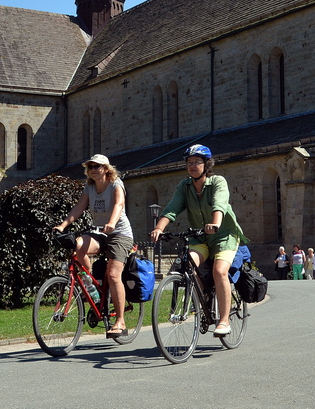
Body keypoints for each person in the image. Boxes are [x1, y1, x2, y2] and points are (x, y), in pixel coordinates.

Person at [150, 144, 247, 337]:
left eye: (197, 162)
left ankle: (224, 320)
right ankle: (202, 299)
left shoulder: (218, 181)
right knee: (188, 263)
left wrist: (215, 223)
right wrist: (159, 228)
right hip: (200, 238)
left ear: (206, 164)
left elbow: (220, 203)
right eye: (189, 162)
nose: (192, 166)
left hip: (224, 236)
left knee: (219, 271)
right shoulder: (184, 186)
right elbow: (172, 208)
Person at [53, 154, 134, 338]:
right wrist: (63, 225)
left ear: (106, 169)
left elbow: (119, 204)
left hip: (119, 234)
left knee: (113, 274)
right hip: (99, 233)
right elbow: (78, 208)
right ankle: (91, 286)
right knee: (78, 246)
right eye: (90, 167)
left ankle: (120, 321)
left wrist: (112, 222)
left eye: (97, 166)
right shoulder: (89, 187)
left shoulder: (115, 183)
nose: (93, 170)